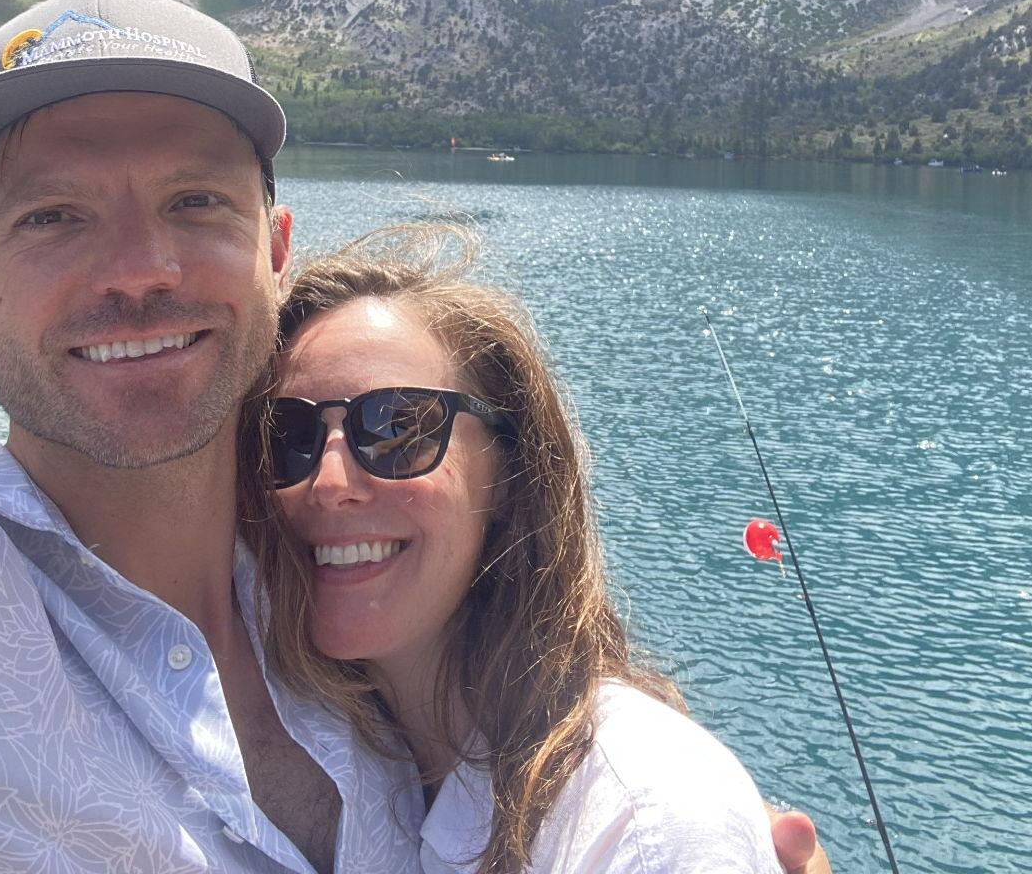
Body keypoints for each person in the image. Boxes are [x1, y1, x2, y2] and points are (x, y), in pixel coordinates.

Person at [0, 0, 827, 872]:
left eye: (196, 202)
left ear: (274, 250)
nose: (141, 271)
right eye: (53, 216)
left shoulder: (350, 623)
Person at [248, 225, 817, 873]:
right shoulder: (359, 767)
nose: (326, 482)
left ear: (510, 472)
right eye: (286, 436)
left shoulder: (639, 817)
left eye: (398, 426)